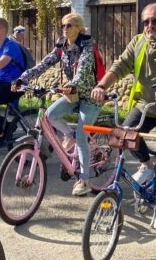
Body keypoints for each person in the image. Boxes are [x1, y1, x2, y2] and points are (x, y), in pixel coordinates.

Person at [91, 3, 156, 231]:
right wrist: (101, 86)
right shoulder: (139, 41)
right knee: (123, 134)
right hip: (147, 104)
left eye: (155, 21)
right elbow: (120, 66)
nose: (150, 25)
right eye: (146, 21)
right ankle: (147, 164)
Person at [14, 13, 100, 196]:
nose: (65, 29)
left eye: (69, 25)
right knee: (50, 115)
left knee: (82, 135)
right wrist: (23, 78)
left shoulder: (87, 44)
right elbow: (44, 64)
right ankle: (68, 135)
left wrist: (71, 84)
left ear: (78, 27)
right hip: (72, 95)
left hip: (91, 95)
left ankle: (84, 180)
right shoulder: (62, 46)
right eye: (63, 26)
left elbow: (84, 69)